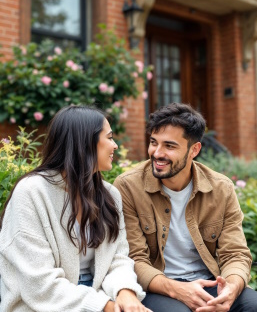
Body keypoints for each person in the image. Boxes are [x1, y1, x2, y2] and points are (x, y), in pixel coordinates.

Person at [114, 102, 257, 312]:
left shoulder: (221, 188)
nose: (157, 153)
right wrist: (177, 289)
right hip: (158, 286)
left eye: (169, 146)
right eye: (153, 142)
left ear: (194, 150)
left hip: (210, 283)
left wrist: (231, 287)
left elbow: (235, 253)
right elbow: (134, 259)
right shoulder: (128, 186)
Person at [0, 105, 151, 312]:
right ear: (86, 142)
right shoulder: (31, 192)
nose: (115, 145)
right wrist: (106, 306)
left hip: (98, 297)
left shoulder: (109, 195)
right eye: (109, 137)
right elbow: (39, 284)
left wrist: (125, 291)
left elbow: (118, 258)